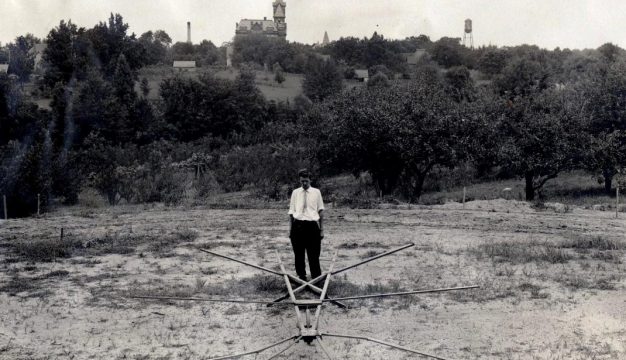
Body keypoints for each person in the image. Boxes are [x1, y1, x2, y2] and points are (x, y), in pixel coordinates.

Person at [288, 169, 324, 282]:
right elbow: (291, 213)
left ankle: (316, 278)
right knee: (298, 254)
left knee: (314, 254)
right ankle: (301, 277)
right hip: (297, 226)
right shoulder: (295, 193)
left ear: (310, 180)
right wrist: (290, 230)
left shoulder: (316, 192)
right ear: (299, 180)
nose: (304, 184)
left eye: (306, 181)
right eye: (302, 181)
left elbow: (321, 212)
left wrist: (322, 230)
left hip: (312, 226)